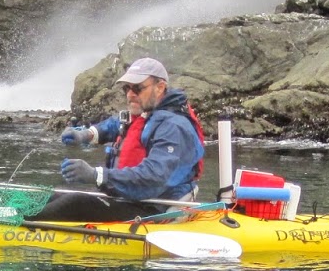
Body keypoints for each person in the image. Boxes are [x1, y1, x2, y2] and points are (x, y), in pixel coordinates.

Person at [36, 57, 205, 223]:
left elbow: (153, 178)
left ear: (160, 87)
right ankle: (13, 215)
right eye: (127, 89)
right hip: (132, 198)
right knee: (53, 196)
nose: (130, 95)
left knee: (74, 203)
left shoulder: (174, 127)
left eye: (137, 89)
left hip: (156, 208)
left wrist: (97, 175)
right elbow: (115, 124)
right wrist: (85, 134)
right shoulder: (146, 113)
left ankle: (14, 223)